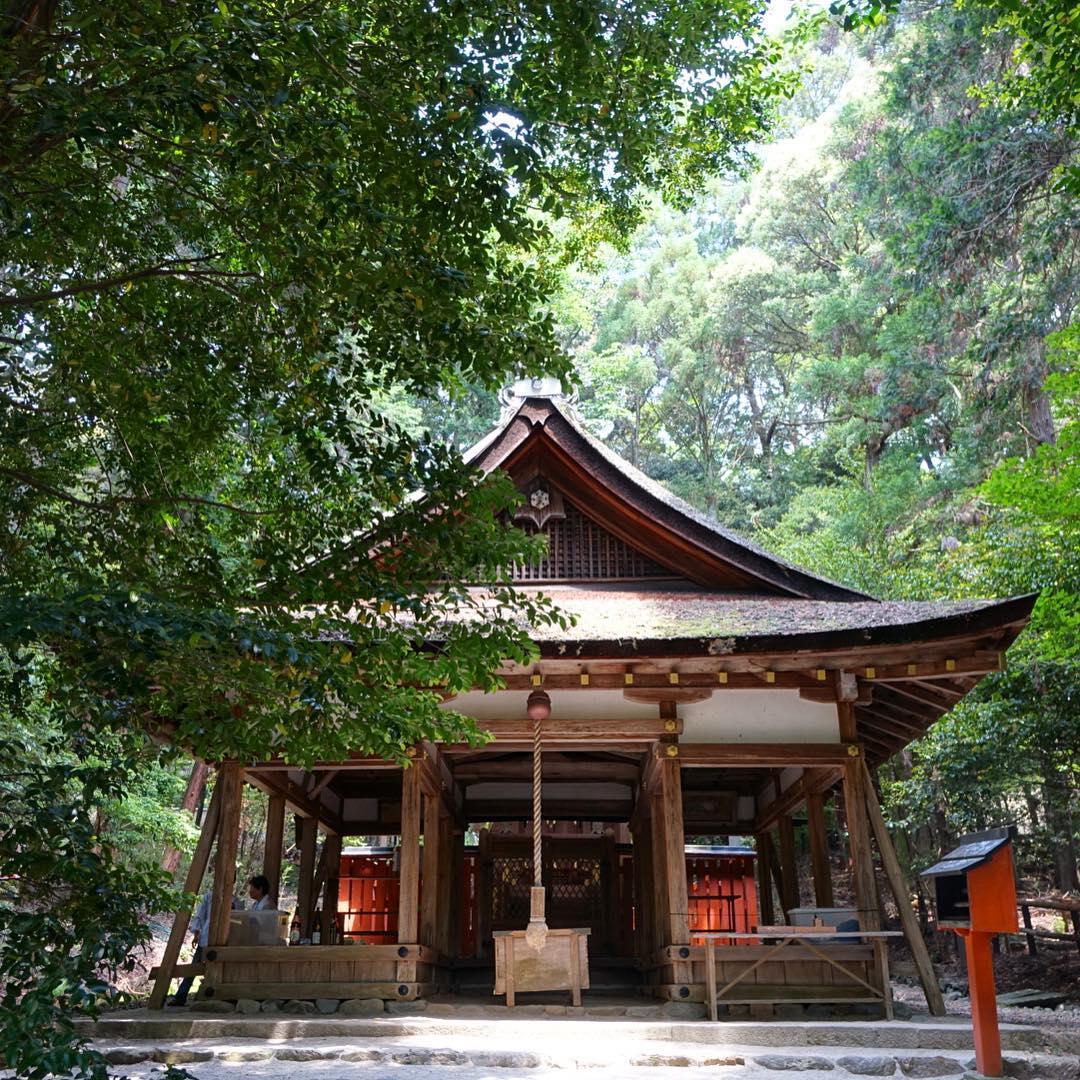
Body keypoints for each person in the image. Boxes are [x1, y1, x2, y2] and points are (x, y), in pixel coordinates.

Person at [168, 890, 239, 1006]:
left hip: (226, 939)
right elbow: (201, 915)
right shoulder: (209, 896)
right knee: (195, 966)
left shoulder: (235, 901)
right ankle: (181, 995)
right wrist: (197, 934)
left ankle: (223, 994)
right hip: (207, 937)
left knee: (207, 967)